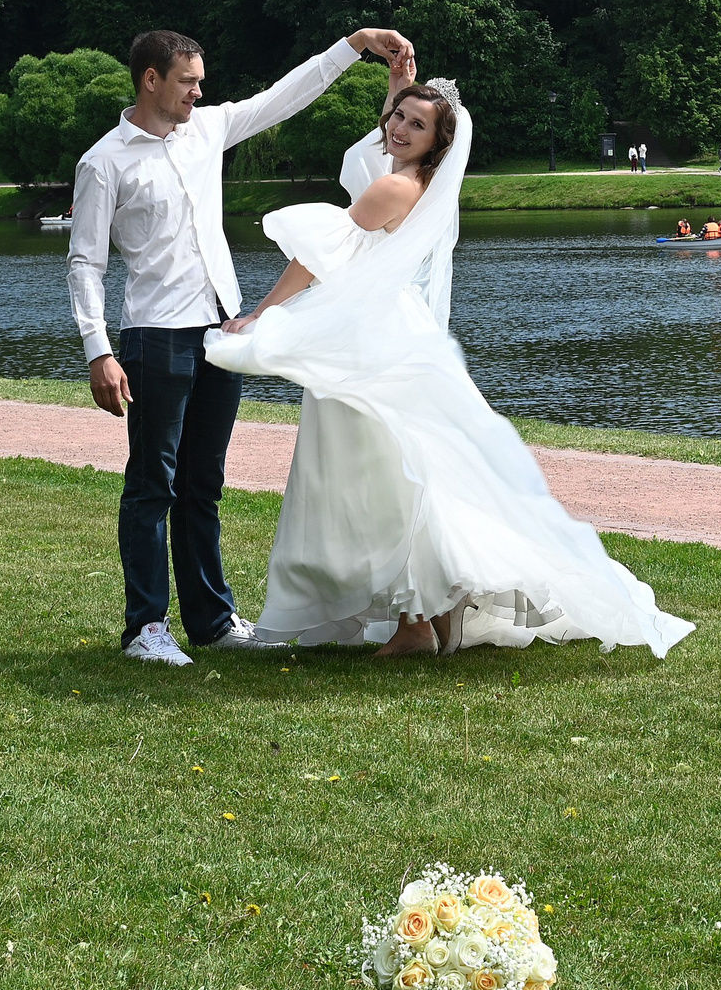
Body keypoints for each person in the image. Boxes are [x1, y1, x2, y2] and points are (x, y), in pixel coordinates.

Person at [208, 65, 692, 660]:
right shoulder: (420, 186)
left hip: (372, 337)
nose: (401, 128)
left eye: (418, 124)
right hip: (395, 330)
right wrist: (396, 94)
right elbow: (373, 159)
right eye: (398, 118)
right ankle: (428, 613)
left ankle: (416, 622)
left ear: (439, 141)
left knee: (380, 476)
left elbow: (315, 258)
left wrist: (260, 313)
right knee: (407, 469)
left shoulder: (393, 189)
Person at [69, 22, 415, 669]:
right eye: (188, 82)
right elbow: (84, 262)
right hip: (153, 336)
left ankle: (210, 618)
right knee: (152, 484)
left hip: (220, 333)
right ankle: (145, 626)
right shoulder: (104, 160)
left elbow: (285, 94)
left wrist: (353, 45)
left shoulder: (209, 129)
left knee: (203, 483)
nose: (199, 93)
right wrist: (99, 350)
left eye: (201, 82)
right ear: (151, 80)